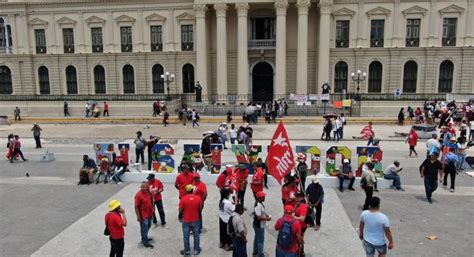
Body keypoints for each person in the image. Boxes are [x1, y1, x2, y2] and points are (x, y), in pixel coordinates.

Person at [179, 184, 203, 256]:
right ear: (192, 190)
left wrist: (181, 215)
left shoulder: (183, 199)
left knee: (186, 236)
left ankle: (187, 251)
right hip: (195, 219)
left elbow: (180, 210)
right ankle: (196, 250)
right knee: (196, 235)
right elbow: (200, 209)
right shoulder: (198, 198)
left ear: (186, 191)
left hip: (186, 220)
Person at [134, 182, 154, 248]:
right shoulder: (138, 195)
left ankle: (145, 237)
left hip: (149, 214)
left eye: (146, 187)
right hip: (143, 215)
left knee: (148, 225)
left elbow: (151, 200)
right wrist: (138, 216)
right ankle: (144, 242)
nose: (145, 188)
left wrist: (153, 209)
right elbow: (136, 206)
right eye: (143, 187)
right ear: (141, 187)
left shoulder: (148, 192)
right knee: (144, 228)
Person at [252, 191, 271, 257]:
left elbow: (262, 212)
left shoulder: (260, 203)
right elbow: (259, 217)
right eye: (263, 197)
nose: (264, 197)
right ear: (259, 198)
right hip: (259, 225)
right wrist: (267, 219)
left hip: (258, 225)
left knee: (257, 238)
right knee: (260, 240)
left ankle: (255, 252)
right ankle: (260, 254)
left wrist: (266, 215)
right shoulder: (258, 205)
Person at [293, 191, 309, 256]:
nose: (295, 197)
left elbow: (302, 219)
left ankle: (300, 253)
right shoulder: (298, 203)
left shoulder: (303, 206)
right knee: (299, 240)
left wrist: (293, 217)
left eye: (297, 196)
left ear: (302, 197)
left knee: (299, 241)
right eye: (296, 195)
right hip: (298, 226)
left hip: (301, 227)